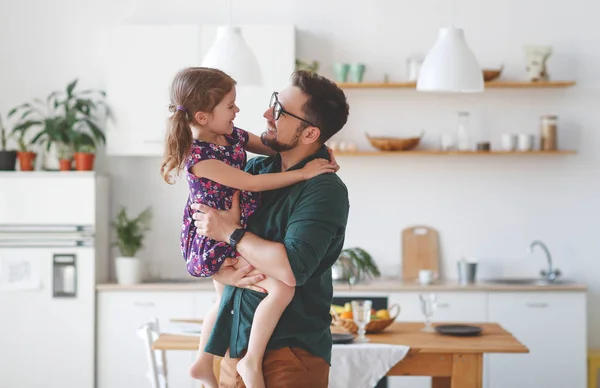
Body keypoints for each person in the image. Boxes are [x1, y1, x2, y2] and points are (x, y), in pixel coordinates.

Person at [160, 67, 338, 388]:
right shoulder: (248, 167)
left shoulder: (322, 190)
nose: (267, 113)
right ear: (202, 116)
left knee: (279, 287)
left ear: (310, 133)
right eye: (274, 102)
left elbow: (290, 270)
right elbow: (215, 218)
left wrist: (314, 155)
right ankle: (210, 362)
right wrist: (222, 272)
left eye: (280, 111)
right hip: (235, 350)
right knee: (225, 298)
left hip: (288, 356)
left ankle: (222, 362)